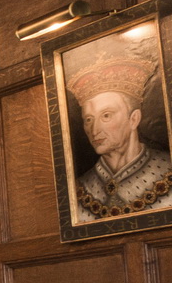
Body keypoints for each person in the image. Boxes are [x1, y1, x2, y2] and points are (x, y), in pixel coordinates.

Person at [66, 58, 172, 219]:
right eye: (89, 119)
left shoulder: (167, 170)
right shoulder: (80, 187)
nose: (95, 130)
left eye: (106, 115)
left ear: (134, 119)